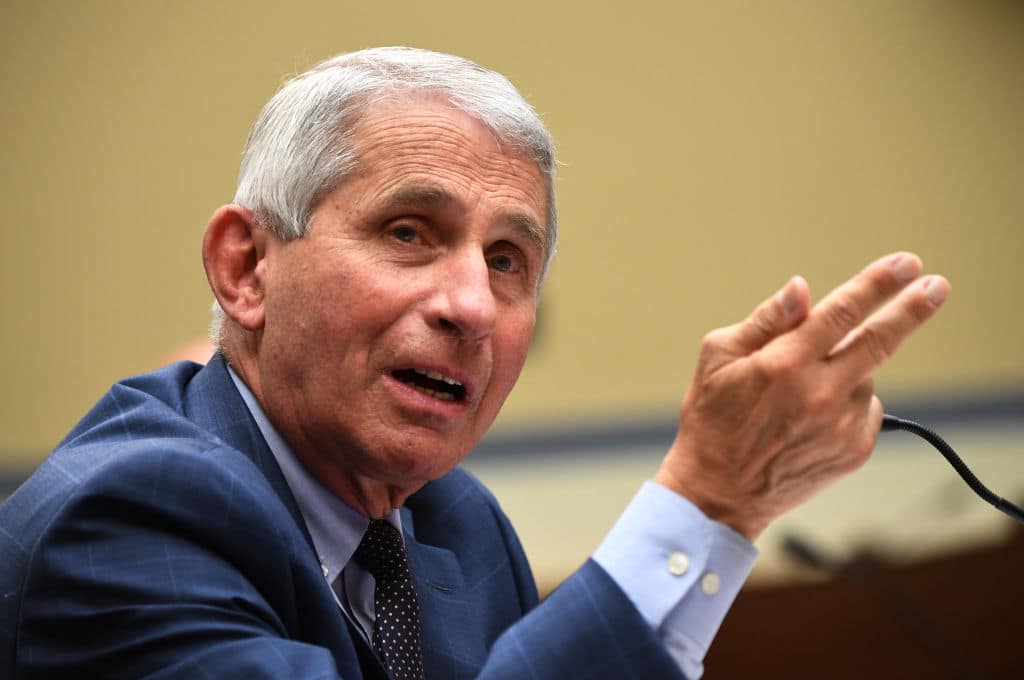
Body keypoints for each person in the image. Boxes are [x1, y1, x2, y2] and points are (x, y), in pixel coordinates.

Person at [0, 47, 949, 679]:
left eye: (507, 261)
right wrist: (705, 503)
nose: (471, 307)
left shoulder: (456, 526)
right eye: (410, 232)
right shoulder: (123, 521)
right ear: (247, 268)